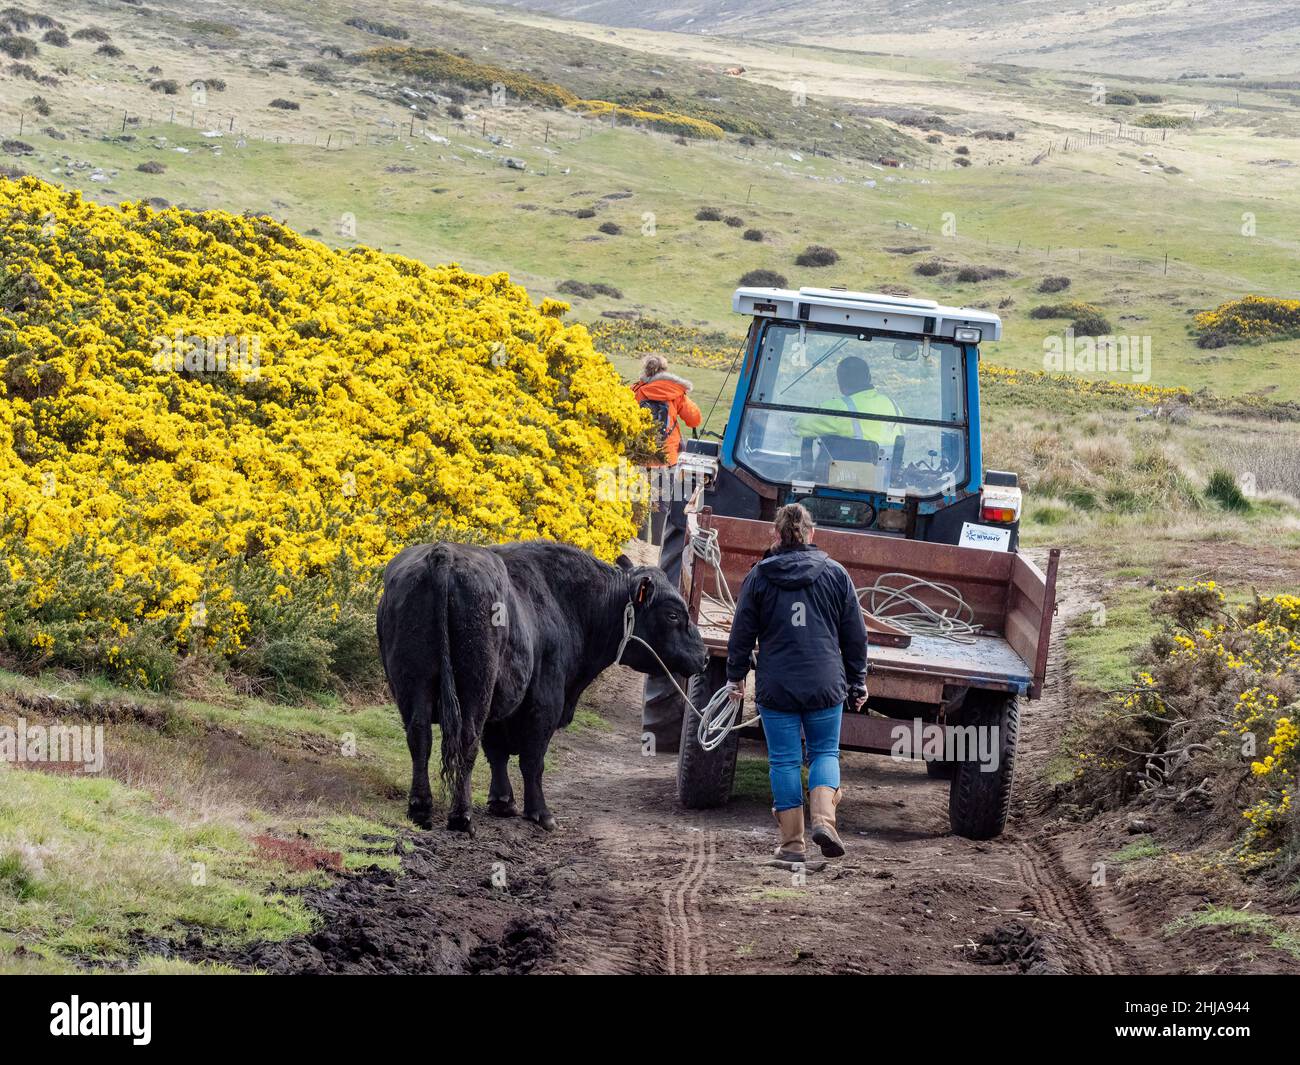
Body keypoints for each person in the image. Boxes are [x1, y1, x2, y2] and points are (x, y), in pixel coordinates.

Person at [724, 503, 868, 863]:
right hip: (825, 684)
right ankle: (824, 820)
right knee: (824, 752)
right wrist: (858, 682)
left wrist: (734, 676)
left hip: (777, 686)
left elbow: (741, 633)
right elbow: (855, 636)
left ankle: (791, 845)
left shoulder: (759, 577)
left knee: (785, 761)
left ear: (776, 535)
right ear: (812, 533)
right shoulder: (836, 574)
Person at [633, 355, 702, 752]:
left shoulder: (637, 391)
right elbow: (692, 420)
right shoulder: (675, 391)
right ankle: (654, 537)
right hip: (669, 462)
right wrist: (684, 398)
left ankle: (643, 540)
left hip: (639, 463)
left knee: (645, 508)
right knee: (668, 508)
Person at [796, 355, 900, 448]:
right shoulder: (893, 405)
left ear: (840, 382)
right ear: (869, 377)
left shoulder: (839, 408)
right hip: (888, 469)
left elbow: (799, 425)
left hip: (848, 469)